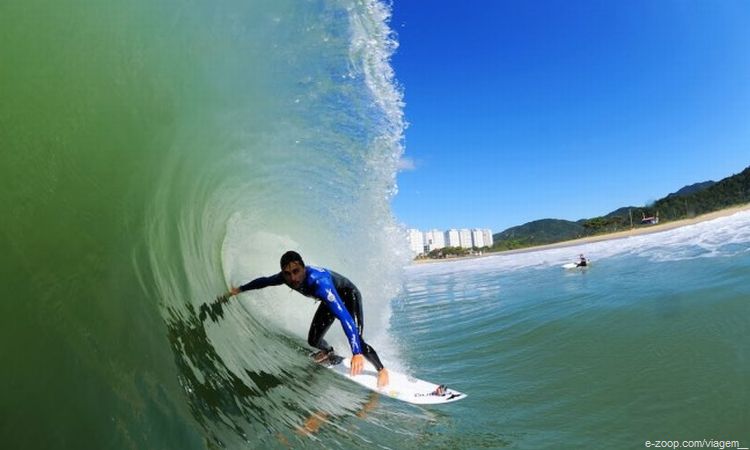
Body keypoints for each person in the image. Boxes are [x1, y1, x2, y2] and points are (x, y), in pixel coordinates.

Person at [224, 251, 389, 388]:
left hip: (348, 295)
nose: (293, 278)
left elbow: (345, 318)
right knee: (313, 340)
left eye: (296, 271)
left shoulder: (319, 283)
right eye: (288, 274)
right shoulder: (285, 278)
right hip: (328, 300)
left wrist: (357, 352)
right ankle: (328, 351)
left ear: (303, 268)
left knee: (357, 340)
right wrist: (239, 289)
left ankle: (381, 370)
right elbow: (265, 281)